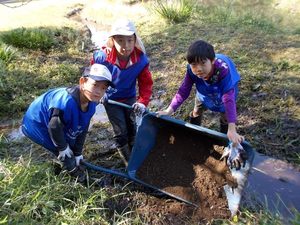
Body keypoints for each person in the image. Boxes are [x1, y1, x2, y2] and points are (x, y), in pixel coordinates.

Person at [22, 64, 113, 181]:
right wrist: (63, 148)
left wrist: (78, 152)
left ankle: (72, 161)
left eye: (103, 88)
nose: (98, 92)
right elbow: (54, 126)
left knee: (72, 146)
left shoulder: (92, 102)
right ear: (82, 82)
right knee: (64, 151)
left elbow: (83, 128)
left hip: (56, 121)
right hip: (37, 123)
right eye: (95, 85)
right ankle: (77, 177)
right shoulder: (66, 103)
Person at [157, 40, 244, 146]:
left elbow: (228, 97)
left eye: (203, 63)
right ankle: (194, 133)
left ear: (212, 60)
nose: (198, 69)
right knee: (197, 110)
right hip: (203, 93)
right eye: (194, 64)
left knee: (225, 115)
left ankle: (225, 139)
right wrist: (168, 111)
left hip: (223, 91)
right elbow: (183, 90)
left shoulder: (223, 70)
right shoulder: (191, 70)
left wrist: (232, 128)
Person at [91, 19, 153, 164]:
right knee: (120, 131)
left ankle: (135, 152)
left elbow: (146, 84)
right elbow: (94, 76)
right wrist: (100, 91)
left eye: (130, 40)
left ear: (135, 40)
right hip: (111, 99)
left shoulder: (141, 60)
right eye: (120, 41)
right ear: (113, 41)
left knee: (132, 125)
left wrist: (142, 102)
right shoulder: (102, 58)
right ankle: (128, 162)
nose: (126, 46)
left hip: (129, 97)